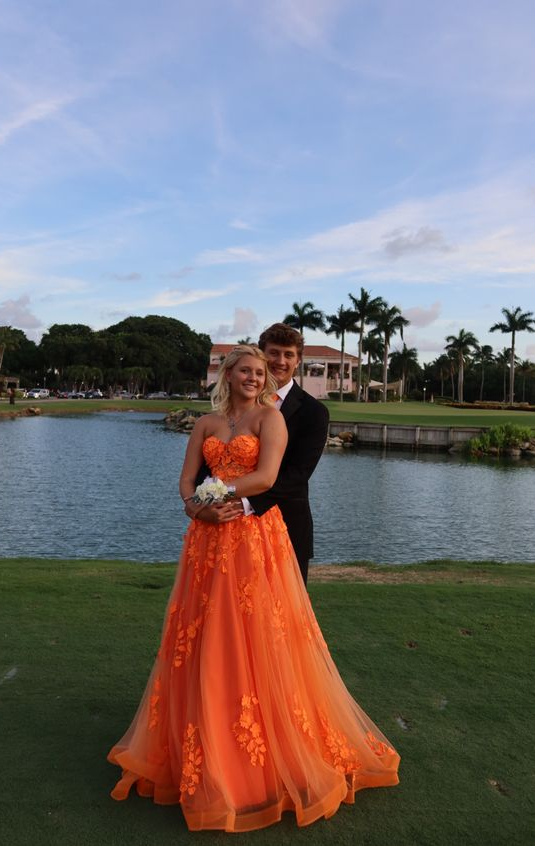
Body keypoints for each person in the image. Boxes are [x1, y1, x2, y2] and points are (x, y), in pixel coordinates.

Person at [107, 344, 399, 832]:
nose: (253, 376)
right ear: (228, 373)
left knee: (255, 633)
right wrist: (197, 507)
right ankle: (201, 736)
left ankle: (257, 754)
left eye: (259, 371)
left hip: (252, 539)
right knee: (201, 635)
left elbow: (265, 477)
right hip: (205, 540)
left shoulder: (271, 420)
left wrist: (217, 496)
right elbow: (185, 482)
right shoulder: (205, 424)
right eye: (245, 369)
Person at [187, 323, 329, 585]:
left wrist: (240, 503)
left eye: (289, 355)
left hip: (284, 523)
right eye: (274, 353)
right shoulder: (222, 417)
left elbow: (297, 474)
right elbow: (209, 466)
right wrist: (200, 505)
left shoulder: (313, 412)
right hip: (220, 521)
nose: (281, 361)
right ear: (263, 354)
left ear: (298, 361)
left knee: (278, 616)